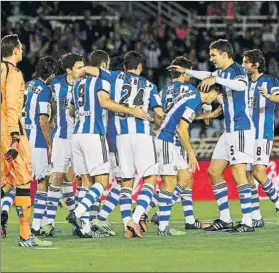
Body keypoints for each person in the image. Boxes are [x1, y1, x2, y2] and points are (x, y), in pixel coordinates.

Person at [169, 39, 255, 232]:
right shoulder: (222, 73)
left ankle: (248, 222)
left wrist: (216, 80)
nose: (211, 58)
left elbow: (241, 86)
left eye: (213, 55)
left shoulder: (237, 70)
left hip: (241, 128)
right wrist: (186, 71)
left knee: (238, 173)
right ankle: (225, 219)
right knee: (214, 172)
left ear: (225, 55)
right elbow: (207, 75)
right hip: (229, 130)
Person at [67, 50, 152, 238]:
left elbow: (71, 111)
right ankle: (81, 213)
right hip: (96, 135)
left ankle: (85, 227)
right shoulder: (102, 80)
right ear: (104, 65)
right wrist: (131, 111)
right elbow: (105, 102)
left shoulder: (77, 83)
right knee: (106, 182)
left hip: (77, 135)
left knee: (88, 182)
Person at [146, 56, 217, 230]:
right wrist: (208, 108)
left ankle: (188, 220)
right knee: (175, 182)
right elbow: (184, 121)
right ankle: (152, 213)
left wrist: (206, 115)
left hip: (163, 135)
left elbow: (168, 115)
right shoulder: (190, 90)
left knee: (185, 179)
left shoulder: (163, 91)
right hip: (175, 139)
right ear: (185, 72)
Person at [1, 34, 51, 247]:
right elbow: (12, 105)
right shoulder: (14, 72)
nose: (22, 50)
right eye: (20, 47)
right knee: (22, 180)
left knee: (8, 179)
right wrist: (14, 137)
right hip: (10, 131)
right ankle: (25, 234)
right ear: (15, 51)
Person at [41, 53, 85, 237]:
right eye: (79, 67)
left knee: (82, 178)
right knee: (57, 177)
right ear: (68, 70)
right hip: (60, 137)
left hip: (80, 138)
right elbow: (49, 103)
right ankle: (48, 223)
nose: (83, 70)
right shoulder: (56, 84)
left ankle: (81, 221)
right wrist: (51, 120)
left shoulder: (85, 84)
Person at [242, 49, 279, 226]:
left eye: (246, 62)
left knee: (258, 172)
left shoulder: (269, 80)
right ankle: (256, 216)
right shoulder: (246, 84)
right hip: (247, 134)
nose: (243, 65)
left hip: (262, 133)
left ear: (255, 65)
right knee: (248, 174)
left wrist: (269, 96)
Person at [24, 56, 58, 236]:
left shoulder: (28, 85)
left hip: (22, 138)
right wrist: (50, 143)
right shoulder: (44, 90)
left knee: (19, 183)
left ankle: (41, 223)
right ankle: (36, 226)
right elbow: (43, 120)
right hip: (36, 141)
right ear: (51, 73)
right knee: (42, 181)